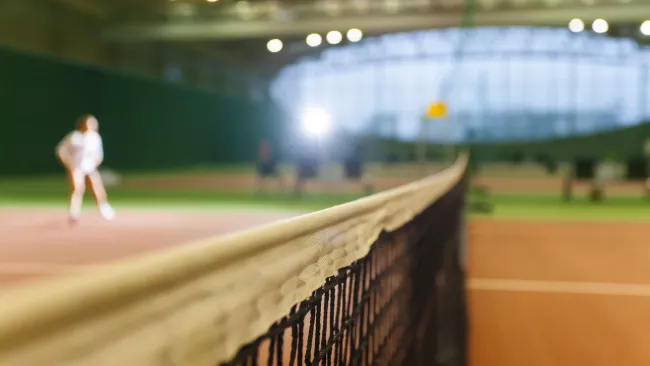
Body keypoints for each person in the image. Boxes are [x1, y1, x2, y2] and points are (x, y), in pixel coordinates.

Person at [55, 114, 115, 224]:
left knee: (97, 189)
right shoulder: (74, 136)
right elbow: (60, 150)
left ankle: (104, 208)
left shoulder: (95, 137)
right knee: (77, 189)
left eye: (93, 123)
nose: (92, 125)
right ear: (83, 124)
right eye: (89, 123)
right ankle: (74, 213)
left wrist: (94, 163)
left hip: (90, 168)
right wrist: (69, 163)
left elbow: (99, 155)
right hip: (76, 168)